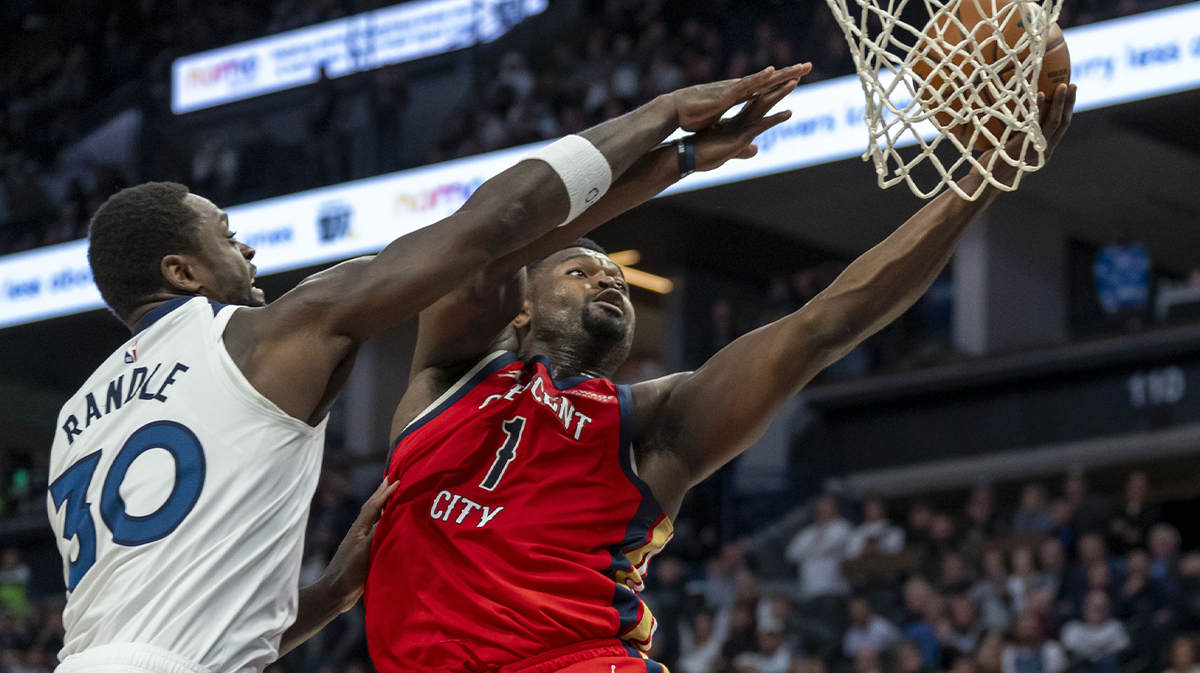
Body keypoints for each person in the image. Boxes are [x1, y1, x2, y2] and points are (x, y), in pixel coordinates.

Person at [45, 66, 783, 673]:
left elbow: (181, 629)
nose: (250, 255)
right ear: (181, 270)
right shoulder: (262, 335)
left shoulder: (73, 422)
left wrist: (333, 592)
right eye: (229, 238)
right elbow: (488, 234)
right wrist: (663, 125)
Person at [364, 83, 1077, 673]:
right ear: (519, 307)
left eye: (616, 275)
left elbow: (822, 326)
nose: (608, 278)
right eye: (581, 269)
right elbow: (491, 234)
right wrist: (669, 158)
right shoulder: (449, 371)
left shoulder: (653, 422)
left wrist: (980, 184)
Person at [1061, 591, 1130, 673]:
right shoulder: (1072, 628)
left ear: (1108, 609)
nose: (1097, 611)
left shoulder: (1115, 627)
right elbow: (1068, 652)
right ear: (1085, 607)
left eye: (1101, 607)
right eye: (1093, 607)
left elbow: (1122, 651)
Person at [1001, 611, 1066, 673]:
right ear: (1017, 631)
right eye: (1025, 629)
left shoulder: (1051, 649)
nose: (1028, 634)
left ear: (1038, 628)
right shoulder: (1010, 653)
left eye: (1031, 628)